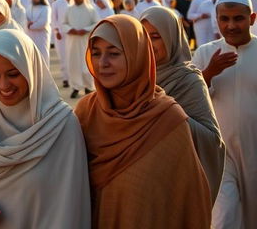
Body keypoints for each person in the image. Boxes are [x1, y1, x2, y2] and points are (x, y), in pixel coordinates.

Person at [0, 29, 90, 228]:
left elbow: (71, 202)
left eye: (13, 74)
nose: (3, 85)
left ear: (31, 70)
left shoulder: (61, 124)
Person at [75, 15, 211, 229]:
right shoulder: (85, 113)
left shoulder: (168, 118)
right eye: (96, 54)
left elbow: (187, 201)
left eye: (113, 54)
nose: (103, 64)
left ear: (136, 55)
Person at [140, 7, 225, 201]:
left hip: (174, 176)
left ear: (171, 37)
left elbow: (212, 141)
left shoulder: (189, 80)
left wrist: (167, 112)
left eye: (155, 36)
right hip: (139, 178)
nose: (149, 44)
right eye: (143, 36)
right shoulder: (134, 75)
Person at [192, 0, 257, 229]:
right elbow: (192, 101)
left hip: (254, 147)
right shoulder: (205, 53)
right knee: (224, 216)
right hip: (220, 151)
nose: (230, 26)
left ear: (252, 18)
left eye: (238, 18)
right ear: (216, 19)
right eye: (224, 19)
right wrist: (208, 73)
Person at [61, 0, 98, 98]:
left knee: (86, 65)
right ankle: (76, 87)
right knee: (74, 65)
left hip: (85, 41)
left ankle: (88, 87)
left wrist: (85, 30)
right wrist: (70, 29)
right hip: (72, 41)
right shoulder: (69, 9)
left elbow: (96, 23)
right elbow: (63, 23)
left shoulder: (91, 10)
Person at [51, 0, 72, 88]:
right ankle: (65, 79)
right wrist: (56, 32)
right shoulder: (56, 4)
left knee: (73, 56)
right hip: (61, 35)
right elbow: (54, 19)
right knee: (63, 57)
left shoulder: (74, 2)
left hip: (73, 34)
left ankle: (73, 79)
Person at [25, 0, 52, 65]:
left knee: (42, 56)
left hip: (42, 36)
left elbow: (43, 23)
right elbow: (26, 19)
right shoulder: (29, 7)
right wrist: (29, 24)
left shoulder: (46, 8)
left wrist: (31, 26)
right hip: (30, 35)